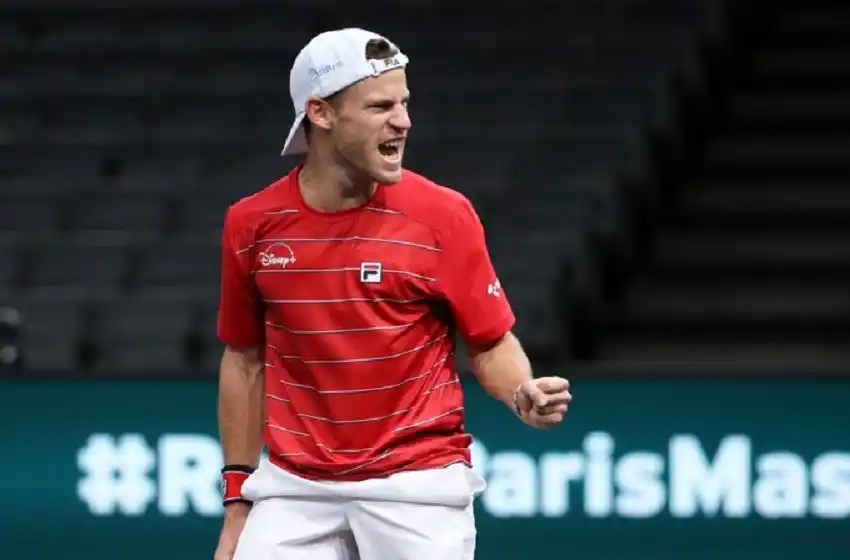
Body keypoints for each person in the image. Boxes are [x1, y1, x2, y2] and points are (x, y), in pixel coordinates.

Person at [214, 28, 572, 560]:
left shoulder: (444, 216)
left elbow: (491, 341)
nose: (403, 122)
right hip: (295, 487)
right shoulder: (252, 224)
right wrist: (238, 504)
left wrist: (521, 391)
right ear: (321, 114)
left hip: (418, 487)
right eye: (381, 106)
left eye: (404, 104)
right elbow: (244, 361)